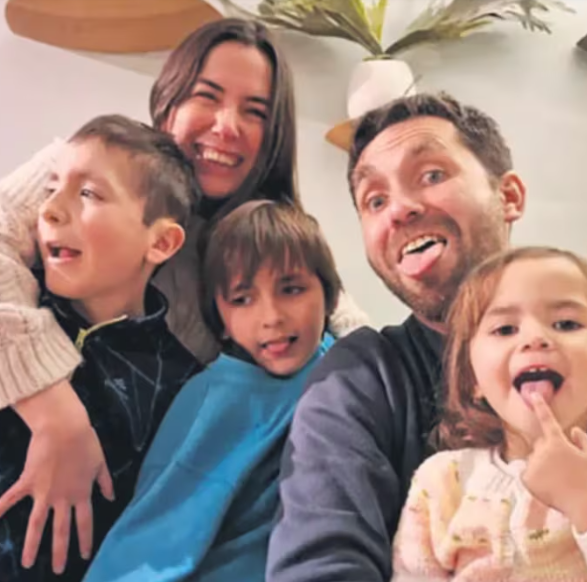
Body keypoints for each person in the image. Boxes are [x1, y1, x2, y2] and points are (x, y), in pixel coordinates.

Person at [0, 18, 368, 573]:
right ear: (169, 99)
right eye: (207, 96)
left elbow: (346, 327)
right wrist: (56, 414)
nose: (227, 126)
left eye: (255, 111)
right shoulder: (84, 167)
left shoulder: (261, 239)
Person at [267, 92, 527, 581]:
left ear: (508, 196)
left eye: (431, 175)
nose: (400, 210)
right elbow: (320, 564)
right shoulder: (359, 379)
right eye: (375, 200)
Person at [83, 200, 341, 582]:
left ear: (329, 296)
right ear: (219, 319)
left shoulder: (354, 372)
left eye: (292, 289)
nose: (271, 317)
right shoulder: (207, 402)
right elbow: (148, 543)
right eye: (242, 299)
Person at [0, 114, 202, 582]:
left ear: (161, 242)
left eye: (88, 193)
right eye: (51, 188)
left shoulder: (184, 383)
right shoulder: (15, 312)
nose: (50, 210)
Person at [392, 246, 587, 581]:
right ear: (472, 379)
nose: (535, 339)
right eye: (505, 329)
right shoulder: (443, 483)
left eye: (566, 323)